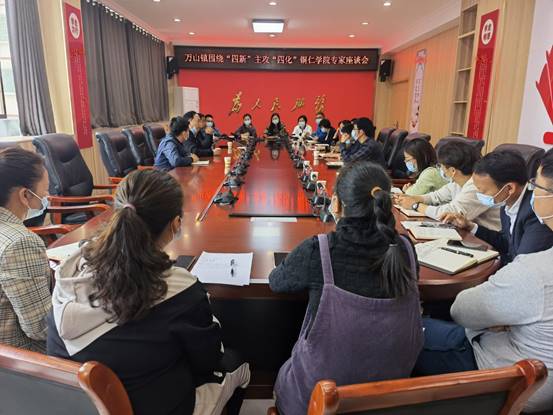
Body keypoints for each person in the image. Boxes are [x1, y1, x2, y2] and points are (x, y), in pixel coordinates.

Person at [47, 169, 250, 415]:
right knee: (236, 362)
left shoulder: (69, 271)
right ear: (176, 224)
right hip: (158, 406)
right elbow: (208, 360)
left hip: (76, 405)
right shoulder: (179, 289)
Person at [270, 161, 423, 415]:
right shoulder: (406, 249)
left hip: (320, 402)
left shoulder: (318, 250)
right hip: (389, 399)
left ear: (336, 204)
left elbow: (276, 282)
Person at [413, 148, 553, 413]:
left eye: (538, 186)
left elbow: (463, 311)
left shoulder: (537, 259)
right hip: (521, 339)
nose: (533, 190)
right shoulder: (510, 211)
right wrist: (473, 227)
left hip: (516, 378)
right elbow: (508, 245)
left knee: (409, 330)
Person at [442, 150, 553, 265]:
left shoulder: (536, 213)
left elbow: (523, 264)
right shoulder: (506, 204)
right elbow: (506, 243)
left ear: (509, 188)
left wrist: (484, 262)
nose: (479, 195)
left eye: (483, 191)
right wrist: (470, 226)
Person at [0, 148, 51, 352]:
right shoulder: (20, 243)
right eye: (44, 192)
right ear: (25, 195)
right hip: (20, 359)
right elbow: (41, 327)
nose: (47, 197)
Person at [396, 141, 501, 231]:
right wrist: (412, 198)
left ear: (452, 170)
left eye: (441, 166)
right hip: (468, 232)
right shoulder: (457, 183)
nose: (440, 169)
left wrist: (415, 205)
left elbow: (448, 214)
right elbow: (435, 196)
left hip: (486, 239)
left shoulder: (476, 186)